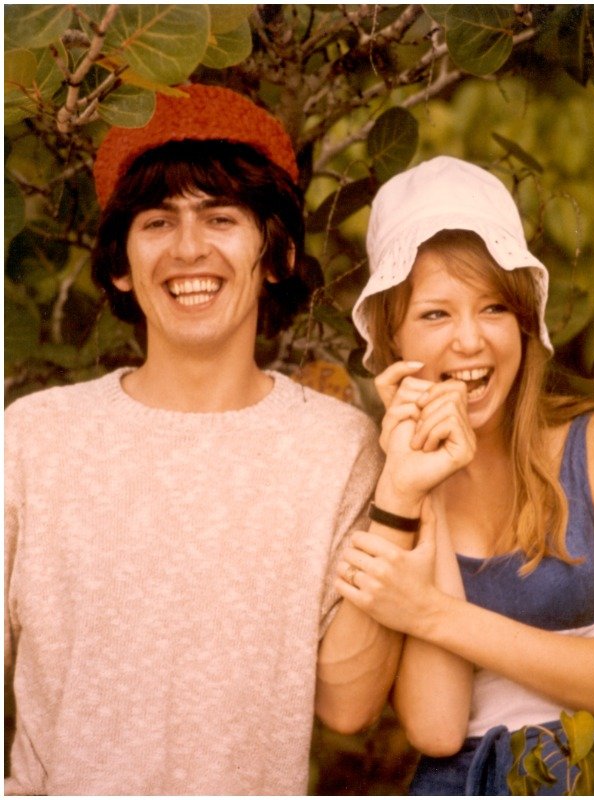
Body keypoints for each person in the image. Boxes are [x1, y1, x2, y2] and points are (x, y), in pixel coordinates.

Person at [3, 84, 397, 794]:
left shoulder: (338, 447)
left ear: (273, 254)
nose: (188, 249)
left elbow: (349, 707)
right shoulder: (33, 439)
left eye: (220, 218)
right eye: (156, 222)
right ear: (121, 264)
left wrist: (402, 499)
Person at [334, 156, 594, 795]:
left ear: (525, 325)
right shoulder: (388, 484)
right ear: (392, 344)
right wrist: (421, 486)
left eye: (494, 309)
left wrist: (431, 614)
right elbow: (438, 728)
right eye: (435, 315)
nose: (471, 341)